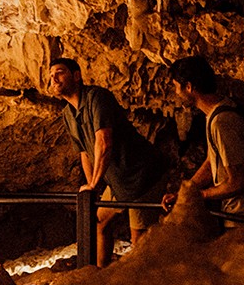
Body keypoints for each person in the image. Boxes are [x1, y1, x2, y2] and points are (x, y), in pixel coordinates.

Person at [49, 56, 169, 266]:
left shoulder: (97, 97)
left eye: (59, 72)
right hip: (117, 179)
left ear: (76, 76)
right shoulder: (68, 113)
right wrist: (91, 189)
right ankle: (100, 275)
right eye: (51, 76)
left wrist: (94, 183)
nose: (54, 79)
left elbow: (103, 142)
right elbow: (85, 152)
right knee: (100, 222)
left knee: (139, 240)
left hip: (140, 175)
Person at [161, 56, 244, 224]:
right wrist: (185, 193)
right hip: (243, 212)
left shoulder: (222, 122)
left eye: (176, 87)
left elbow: (238, 181)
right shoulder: (216, 112)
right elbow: (213, 161)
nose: (176, 93)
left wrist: (201, 195)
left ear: (188, 87)